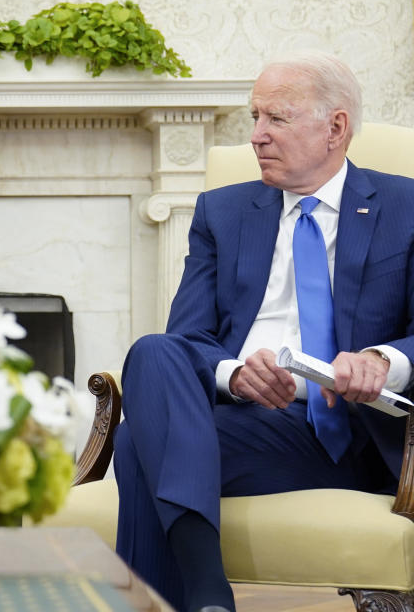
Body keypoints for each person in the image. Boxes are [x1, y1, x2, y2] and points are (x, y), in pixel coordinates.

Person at [114, 51, 413, 612]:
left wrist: (381, 359)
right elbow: (190, 341)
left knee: (135, 444)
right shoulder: (222, 212)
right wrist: (233, 376)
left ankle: (197, 597)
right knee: (154, 351)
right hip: (255, 423)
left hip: (357, 433)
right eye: (256, 117)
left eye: (276, 118)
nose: (256, 136)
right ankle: (208, 598)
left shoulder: (406, 206)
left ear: (336, 127)